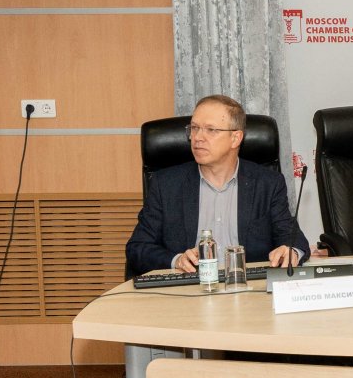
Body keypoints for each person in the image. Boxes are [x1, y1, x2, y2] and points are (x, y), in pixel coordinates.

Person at [125, 94, 310, 276]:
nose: (197, 137)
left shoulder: (267, 183)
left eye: (211, 130)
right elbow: (138, 247)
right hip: (189, 289)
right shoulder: (166, 185)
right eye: (194, 128)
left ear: (235, 138)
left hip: (248, 287)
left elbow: (292, 239)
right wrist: (177, 260)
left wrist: (291, 252)